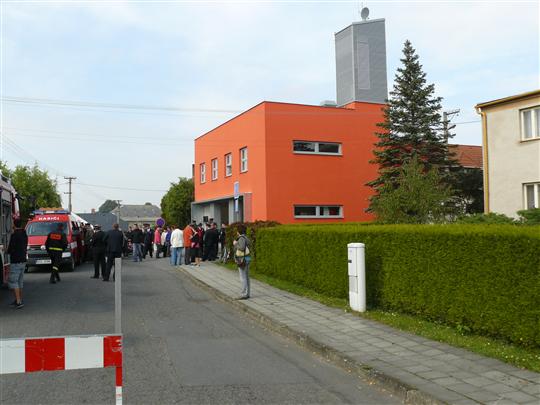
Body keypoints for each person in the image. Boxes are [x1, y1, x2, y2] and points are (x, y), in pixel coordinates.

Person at [7, 218, 27, 309]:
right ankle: (19, 300)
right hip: (23, 260)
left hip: (16, 261)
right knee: (20, 282)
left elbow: (11, 249)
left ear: (14, 225)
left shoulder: (14, 235)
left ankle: (18, 302)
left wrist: (6, 250)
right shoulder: (24, 234)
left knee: (14, 281)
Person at [233, 225, 252, 300]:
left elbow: (241, 247)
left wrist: (235, 243)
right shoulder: (246, 237)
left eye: (237, 230)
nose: (236, 232)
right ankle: (247, 293)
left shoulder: (241, 238)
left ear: (239, 231)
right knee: (246, 276)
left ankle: (243, 294)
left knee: (242, 277)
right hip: (247, 258)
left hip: (242, 259)